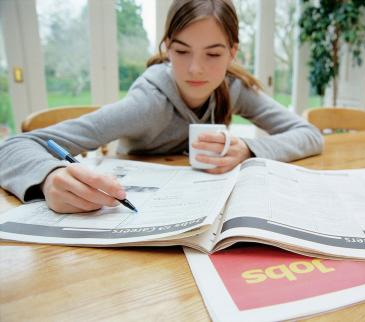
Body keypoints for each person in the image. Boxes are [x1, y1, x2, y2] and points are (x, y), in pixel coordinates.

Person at [0, 0, 323, 214]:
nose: (196, 69)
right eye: (182, 51)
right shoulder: (146, 104)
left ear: (232, 52)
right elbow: (14, 146)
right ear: (167, 47)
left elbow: (309, 134)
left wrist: (249, 148)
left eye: (213, 54)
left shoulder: (234, 88)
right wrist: (50, 175)